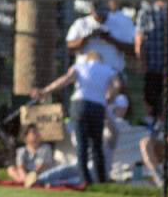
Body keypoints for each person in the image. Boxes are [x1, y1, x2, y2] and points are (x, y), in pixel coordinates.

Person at [33, 51, 118, 185]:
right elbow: (116, 86)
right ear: (101, 60)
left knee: (81, 143)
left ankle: (84, 180)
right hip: (98, 106)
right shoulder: (108, 69)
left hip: (80, 104)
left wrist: (45, 91)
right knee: (96, 144)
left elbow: (65, 80)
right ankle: (101, 180)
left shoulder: (80, 66)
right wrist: (108, 98)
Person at [65, 1, 134, 78]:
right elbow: (70, 47)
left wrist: (109, 39)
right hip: (86, 75)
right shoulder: (81, 23)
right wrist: (88, 37)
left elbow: (131, 50)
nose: (100, 15)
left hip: (112, 75)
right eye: (97, 11)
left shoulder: (119, 23)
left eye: (103, 11)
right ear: (91, 10)